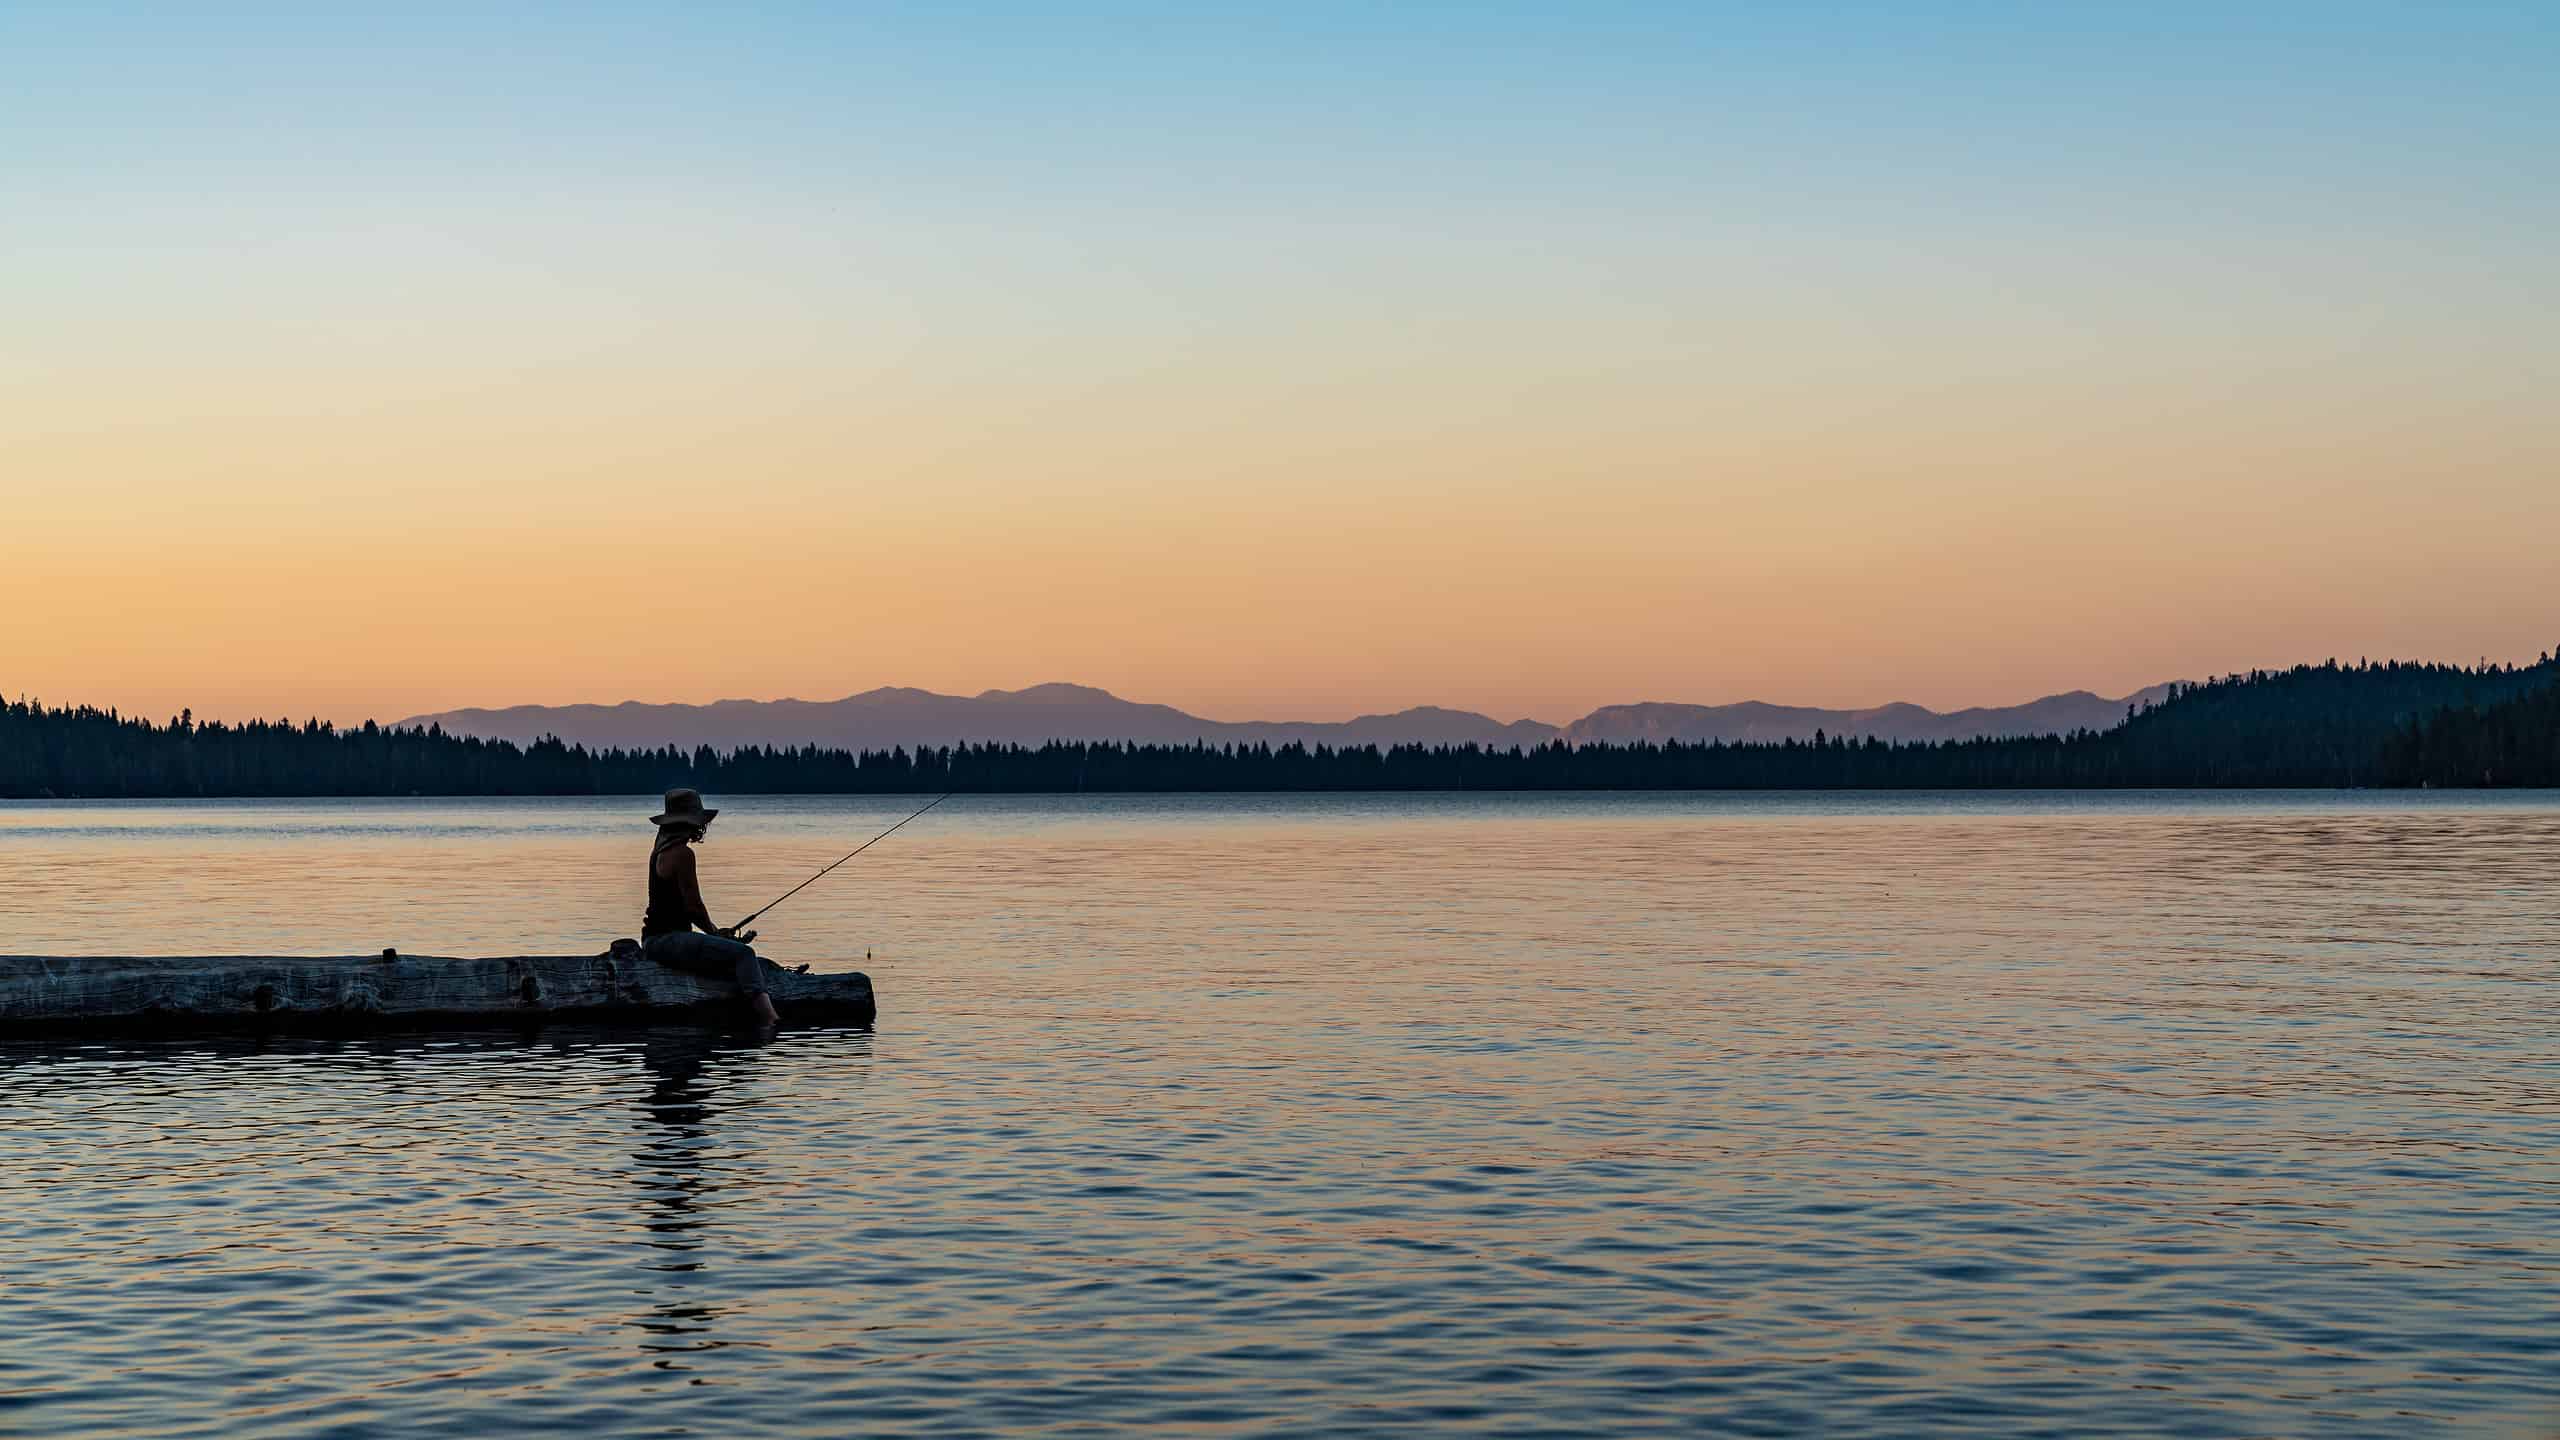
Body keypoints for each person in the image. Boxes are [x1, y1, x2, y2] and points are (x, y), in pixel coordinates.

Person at [642, 787, 781, 1025]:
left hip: (655, 941)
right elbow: (694, 908)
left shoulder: (659, 851)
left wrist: (717, 936)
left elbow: (688, 911)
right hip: (667, 941)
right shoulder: (683, 854)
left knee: (729, 955)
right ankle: (770, 1020)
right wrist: (715, 934)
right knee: (745, 954)